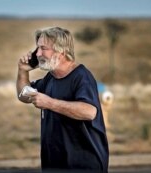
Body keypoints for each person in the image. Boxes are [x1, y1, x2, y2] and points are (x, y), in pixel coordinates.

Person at [16, 26, 109, 172]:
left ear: (61, 51)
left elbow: (89, 111)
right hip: (54, 163)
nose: (38, 53)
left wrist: (49, 103)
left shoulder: (81, 76)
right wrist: (22, 71)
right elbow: (24, 96)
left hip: (83, 165)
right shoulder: (50, 78)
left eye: (43, 48)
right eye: (37, 48)